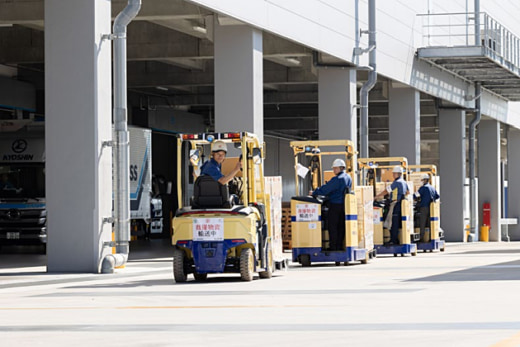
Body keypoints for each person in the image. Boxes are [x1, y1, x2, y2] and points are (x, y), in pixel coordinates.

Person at [311, 159, 352, 251]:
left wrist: (315, 192)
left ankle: (333, 246)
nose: (334, 170)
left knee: (332, 226)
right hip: (344, 206)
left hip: (335, 205)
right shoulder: (348, 178)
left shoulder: (338, 179)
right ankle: (339, 245)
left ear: (341, 168)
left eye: (335, 168)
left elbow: (326, 189)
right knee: (341, 227)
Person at [375, 166, 409, 245]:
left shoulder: (397, 182)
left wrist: (376, 197)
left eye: (394, 173)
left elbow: (387, 191)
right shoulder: (404, 182)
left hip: (395, 204)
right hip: (401, 204)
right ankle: (394, 239)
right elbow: (408, 192)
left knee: (392, 223)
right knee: (395, 222)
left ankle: (393, 240)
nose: (393, 175)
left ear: (398, 174)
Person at [415, 173, 440, 241]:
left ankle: (422, 238)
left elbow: (415, 195)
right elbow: (437, 196)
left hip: (424, 207)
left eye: (422, 180)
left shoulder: (423, 188)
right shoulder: (432, 187)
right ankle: (431, 238)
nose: (421, 181)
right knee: (430, 223)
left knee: (422, 223)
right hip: (432, 208)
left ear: (425, 180)